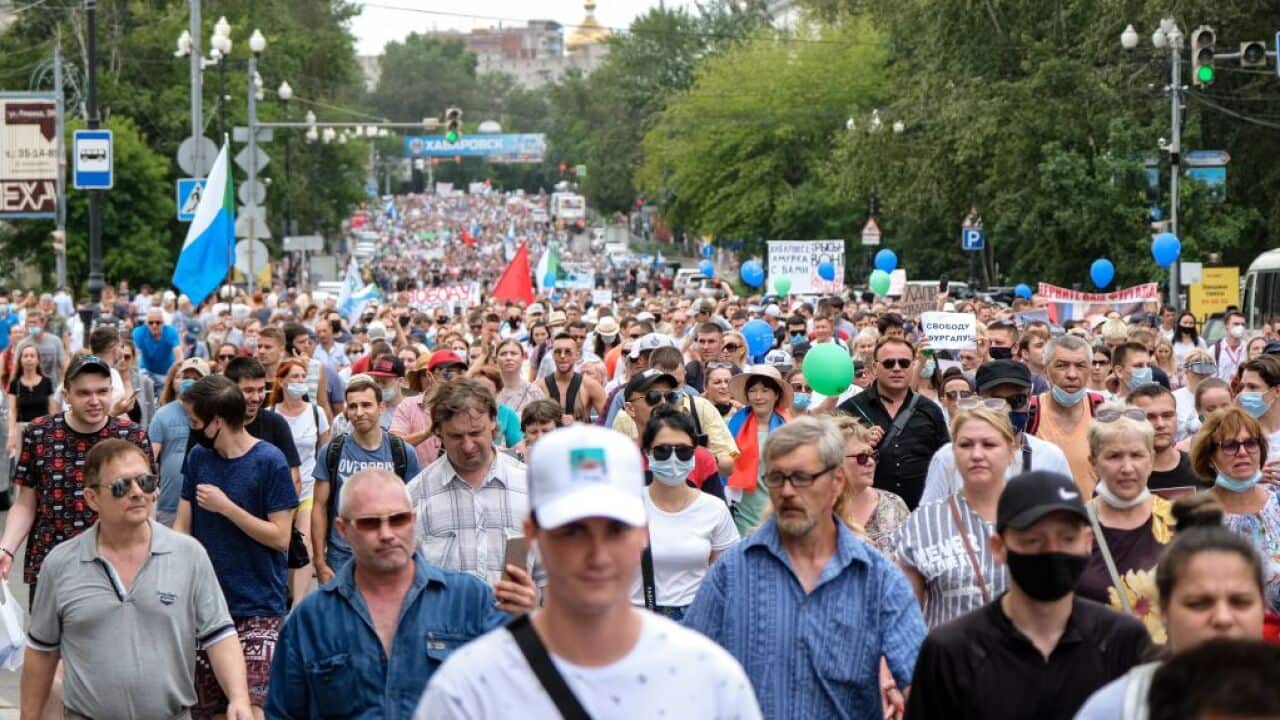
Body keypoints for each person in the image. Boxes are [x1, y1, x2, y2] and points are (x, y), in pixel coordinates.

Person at [417, 425, 762, 719]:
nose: (597, 556)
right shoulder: (468, 689)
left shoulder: (710, 678)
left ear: (643, 532)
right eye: (573, 532)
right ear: (534, 534)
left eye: (615, 530)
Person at [684, 416, 925, 719]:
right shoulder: (733, 572)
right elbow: (689, 670)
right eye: (776, 478)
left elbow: (918, 681)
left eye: (801, 478)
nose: (786, 491)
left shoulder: (877, 578)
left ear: (837, 482)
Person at [21, 439, 253, 720]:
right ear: (92, 498)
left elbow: (219, 635)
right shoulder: (60, 565)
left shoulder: (189, 554)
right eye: (121, 486)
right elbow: (42, 653)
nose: (136, 493)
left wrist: (239, 697)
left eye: (145, 482)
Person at [903, 471, 1151, 720]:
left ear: (1087, 542)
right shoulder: (951, 651)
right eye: (1033, 540)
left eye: (1067, 538)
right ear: (998, 548)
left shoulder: (1122, 640)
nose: (1052, 551)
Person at [266, 469, 508, 719]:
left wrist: (527, 620)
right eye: (370, 523)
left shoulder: (469, 601)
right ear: (342, 530)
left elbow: (512, 692)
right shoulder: (310, 620)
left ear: (413, 520)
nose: (387, 534)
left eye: (398, 519)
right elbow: (283, 713)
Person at [1075, 494, 1268, 719]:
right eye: (1199, 603)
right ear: (1164, 610)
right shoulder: (1118, 708)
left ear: (1262, 606)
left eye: (1240, 602)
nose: (1223, 618)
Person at [174, 374, 299, 718]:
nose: (191, 427)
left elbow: (280, 536)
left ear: (216, 422)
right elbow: (183, 525)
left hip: (258, 606)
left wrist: (227, 507)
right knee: (208, 709)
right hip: (206, 606)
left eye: (195, 421)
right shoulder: (200, 457)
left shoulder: (269, 461)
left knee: (250, 708)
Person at [0, 355, 151, 604]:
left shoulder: (131, 437)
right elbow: (26, 503)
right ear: (66, 395)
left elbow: (146, 505)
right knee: (46, 642)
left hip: (117, 567)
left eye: (102, 391)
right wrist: (6, 548)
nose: (94, 401)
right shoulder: (39, 434)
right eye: (83, 393)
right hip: (51, 565)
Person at [405, 378, 537, 611]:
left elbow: (552, 573)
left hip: (517, 633)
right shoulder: (415, 496)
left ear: (494, 422)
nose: (467, 446)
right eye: (456, 437)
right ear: (437, 433)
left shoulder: (531, 487)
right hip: (444, 638)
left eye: (476, 433)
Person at [896, 402, 1013, 628]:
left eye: (989, 444)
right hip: (949, 659)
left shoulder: (1036, 515)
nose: (977, 454)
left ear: (1010, 449)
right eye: (966, 445)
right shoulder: (924, 523)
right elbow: (903, 619)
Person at [1074, 404, 1174, 640]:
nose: (1127, 468)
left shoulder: (1180, 523)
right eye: (1114, 456)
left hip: (1167, 669)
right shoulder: (1071, 528)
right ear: (1093, 462)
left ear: (1151, 459)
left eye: (1137, 455)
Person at [632, 408, 737, 620]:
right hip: (637, 617)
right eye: (662, 451)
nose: (673, 459)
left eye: (683, 451)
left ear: (694, 454)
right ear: (647, 452)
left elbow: (727, 576)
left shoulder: (714, 509)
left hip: (695, 617)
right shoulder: (628, 506)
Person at [313, 375, 419, 581]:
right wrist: (319, 560)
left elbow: (413, 509)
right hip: (341, 558)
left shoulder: (403, 453)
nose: (359, 413)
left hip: (388, 553)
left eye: (366, 405)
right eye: (353, 406)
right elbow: (319, 506)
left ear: (381, 407)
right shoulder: (333, 451)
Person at [920, 360, 1072, 504]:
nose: (1006, 409)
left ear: (1028, 400)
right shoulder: (948, 458)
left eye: (1017, 400)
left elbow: (1068, 520)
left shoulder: (1051, 457)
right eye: (995, 401)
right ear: (978, 400)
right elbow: (927, 522)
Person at [1188, 406, 1280, 612]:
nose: (1242, 452)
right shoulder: (1196, 516)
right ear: (1210, 457)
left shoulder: (1277, 503)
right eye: (1229, 445)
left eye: (1250, 443)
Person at [841, 336, 949, 510]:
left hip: (922, 513)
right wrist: (858, 443)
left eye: (904, 363)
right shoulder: (850, 410)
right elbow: (832, 461)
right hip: (867, 515)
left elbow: (946, 460)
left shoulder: (930, 410)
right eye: (889, 363)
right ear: (875, 368)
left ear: (913, 366)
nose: (897, 368)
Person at [269, 358, 331, 605]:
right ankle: (281, 595)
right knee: (281, 545)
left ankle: (299, 605)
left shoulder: (316, 414)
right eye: (294, 377)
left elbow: (325, 450)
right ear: (282, 381)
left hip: (308, 488)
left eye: (303, 377)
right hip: (277, 491)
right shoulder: (270, 415)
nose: (299, 382)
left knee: (305, 544)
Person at [1030, 335, 1105, 495]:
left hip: (1092, 517)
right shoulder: (1029, 413)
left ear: (1090, 369)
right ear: (1045, 370)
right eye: (1062, 366)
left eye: (1080, 366)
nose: (1072, 374)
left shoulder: (1102, 412)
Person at [726, 365, 792, 534]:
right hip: (743, 515)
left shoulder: (790, 429)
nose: (758, 397)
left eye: (765, 390)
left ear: (776, 394)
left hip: (781, 514)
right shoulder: (733, 425)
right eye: (753, 391)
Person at [833, 415, 909, 555]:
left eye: (873, 456)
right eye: (862, 457)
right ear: (834, 461)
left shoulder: (894, 504)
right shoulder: (818, 509)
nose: (870, 462)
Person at [149, 357, 209, 527]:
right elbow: (150, 457)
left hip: (205, 504)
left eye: (196, 379)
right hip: (170, 505)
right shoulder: (162, 415)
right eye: (186, 377)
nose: (189, 382)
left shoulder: (213, 414)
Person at [1127, 384, 1206, 494]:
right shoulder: (1120, 476)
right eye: (1149, 417)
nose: (1160, 424)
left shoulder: (1202, 470)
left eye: (1167, 415)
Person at [536, 331, 606, 424]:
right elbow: (528, 423)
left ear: (577, 355)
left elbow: (609, 421)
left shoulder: (590, 385)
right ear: (552, 355)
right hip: (549, 437)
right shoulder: (539, 387)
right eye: (558, 352)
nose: (562, 356)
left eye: (568, 352)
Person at [5, 342, 56, 458]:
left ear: (38, 360)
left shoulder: (47, 382)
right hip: (22, 431)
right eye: (25, 356)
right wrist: (11, 435)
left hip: (43, 430)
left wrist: (54, 432)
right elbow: (12, 411)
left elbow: (52, 409)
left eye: (32, 356)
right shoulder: (15, 384)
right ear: (20, 360)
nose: (29, 359)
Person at [1236, 354, 1280, 480]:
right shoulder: (1235, 432)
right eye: (1243, 386)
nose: (1244, 393)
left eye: (1252, 387)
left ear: (1276, 391)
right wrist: (1249, 479)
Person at [132, 307, 183, 393]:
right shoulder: (139, 332)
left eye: (158, 322)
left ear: (163, 323)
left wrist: (171, 374)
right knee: (142, 389)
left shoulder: (170, 332)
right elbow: (133, 353)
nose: (154, 325)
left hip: (165, 372)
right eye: (151, 323)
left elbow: (180, 357)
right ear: (146, 323)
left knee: (163, 396)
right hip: (146, 370)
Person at [1173, 349, 1217, 441]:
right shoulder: (1174, 398)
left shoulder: (1218, 397)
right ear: (1186, 371)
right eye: (1198, 371)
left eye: (1207, 372)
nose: (1203, 375)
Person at [17, 310, 68, 388]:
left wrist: (65, 384)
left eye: (34, 322)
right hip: (29, 389)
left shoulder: (55, 341)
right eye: (29, 323)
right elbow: (16, 368)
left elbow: (63, 364)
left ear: (43, 323)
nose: (31, 325)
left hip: (52, 388)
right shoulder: (22, 344)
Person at [494, 338, 544, 414]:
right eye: (503, 354)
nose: (508, 358)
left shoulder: (534, 392)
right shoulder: (490, 391)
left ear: (522, 358)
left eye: (513, 353)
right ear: (496, 359)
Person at [1210, 310, 1247, 382]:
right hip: (1222, 391)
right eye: (1236, 324)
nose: (1240, 327)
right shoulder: (1215, 350)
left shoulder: (1247, 348)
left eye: (1242, 324)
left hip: (1242, 391)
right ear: (1226, 325)